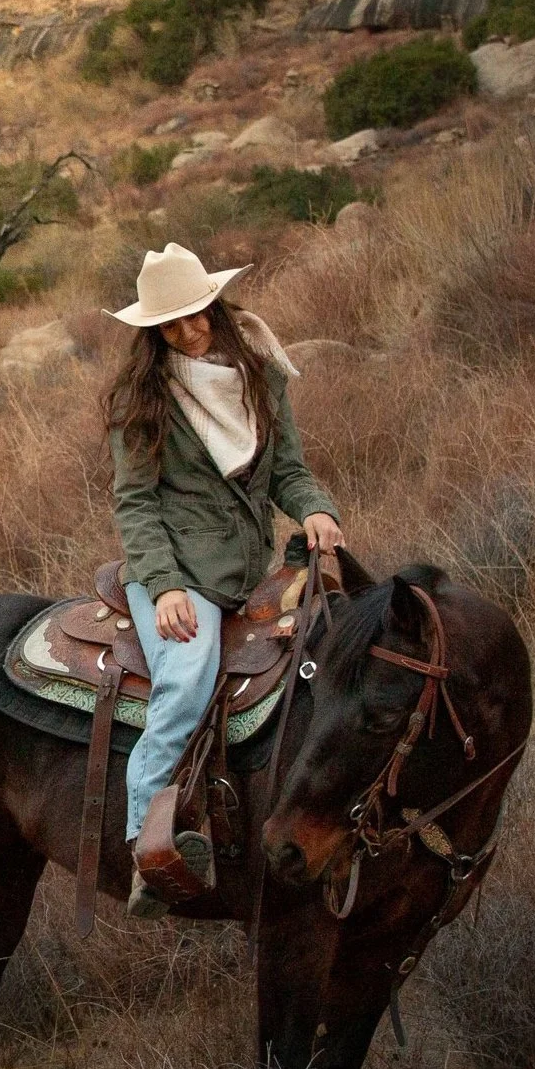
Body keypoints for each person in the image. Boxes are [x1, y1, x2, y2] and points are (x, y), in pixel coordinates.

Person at [104, 243, 345, 918]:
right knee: (185, 680)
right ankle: (146, 852)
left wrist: (316, 508)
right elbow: (136, 504)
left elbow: (289, 472)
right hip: (177, 574)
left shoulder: (261, 376)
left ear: (214, 304)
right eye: (169, 324)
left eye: (194, 314)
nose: (186, 331)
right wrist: (167, 585)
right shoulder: (142, 397)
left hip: (249, 572)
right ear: (152, 331)